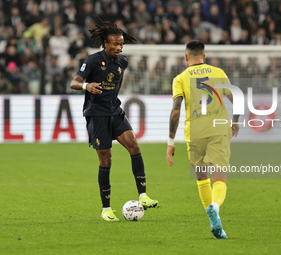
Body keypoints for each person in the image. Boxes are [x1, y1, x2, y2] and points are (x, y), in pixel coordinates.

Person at [70, 17, 158, 222]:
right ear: (106, 44)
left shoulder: (122, 62)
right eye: (116, 44)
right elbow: (74, 82)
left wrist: (114, 101)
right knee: (106, 159)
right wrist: (87, 86)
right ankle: (106, 209)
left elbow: (118, 82)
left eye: (121, 44)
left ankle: (143, 195)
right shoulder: (92, 60)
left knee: (134, 146)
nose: (119, 47)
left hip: (115, 111)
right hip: (97, 115)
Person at [166, 40, 239, 239]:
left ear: (186, 57)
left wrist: (170, 143)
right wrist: (236, 122)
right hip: (218, 130)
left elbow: (175, 111)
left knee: (201, 178)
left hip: (194, 132)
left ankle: (215, 222)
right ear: (204, 57)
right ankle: (215, 207)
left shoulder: (180, 78)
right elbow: (237, 99)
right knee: (220, 179)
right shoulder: (218, 73)